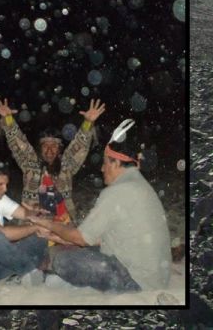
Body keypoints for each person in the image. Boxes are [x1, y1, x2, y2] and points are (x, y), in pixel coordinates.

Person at [30, 118, 172, 292]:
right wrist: (57, 237)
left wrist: (49, 224)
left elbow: (81, 238)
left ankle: (77, 286)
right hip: (158, 277)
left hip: (137, 281)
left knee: (63, 260)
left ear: (116, 163)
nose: (102, 169)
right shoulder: (139, 184)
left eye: (105, 163)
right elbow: (98, 239)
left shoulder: (117, 191)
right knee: (79, 252)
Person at [0, 96, 105, 222]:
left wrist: (88, 123)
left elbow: (80, 145)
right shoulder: (29, 162)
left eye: (54, 145)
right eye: (45, 145)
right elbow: (18, 142)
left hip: (63, 225)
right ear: (39, 148)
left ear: (60, 149)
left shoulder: (67, 164)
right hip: (32, 224)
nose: (49, 150)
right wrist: (7, 119)